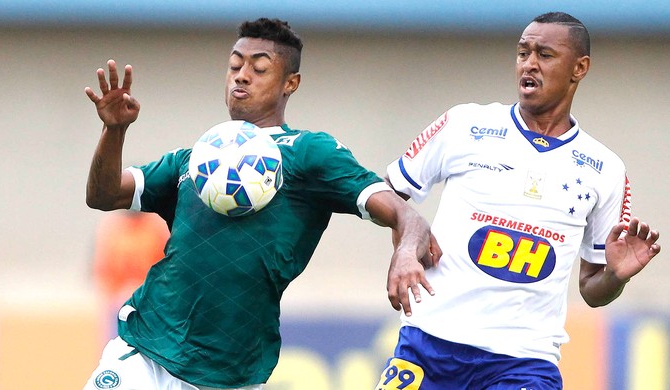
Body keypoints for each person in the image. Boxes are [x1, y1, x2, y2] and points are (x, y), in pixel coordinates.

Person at [82, 18, 437, 390]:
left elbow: (403, 212)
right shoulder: (195, 158)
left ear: (290, 83)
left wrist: (406, 253)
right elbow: (104, 195)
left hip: (232, 373)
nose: (242, 76)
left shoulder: (308, 153)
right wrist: (114, 131)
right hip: (145, 350)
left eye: (260, 67)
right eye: (235, 65)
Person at [377, 12, 661, 390]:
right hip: (430, 346)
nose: (529, 63)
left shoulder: (605, 169)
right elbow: (390, 191)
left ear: (580, 68)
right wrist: (406, 249)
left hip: (523, 362)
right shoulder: (465, 125)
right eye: (523, 52)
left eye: (545, 54)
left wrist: (613, 276)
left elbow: (592, 289)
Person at [91, 210, 169, 340]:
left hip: (149, 302)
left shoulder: (157, 228)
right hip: (118, 301)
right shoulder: (111, 228)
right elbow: (103, 270)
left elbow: (166, 269)